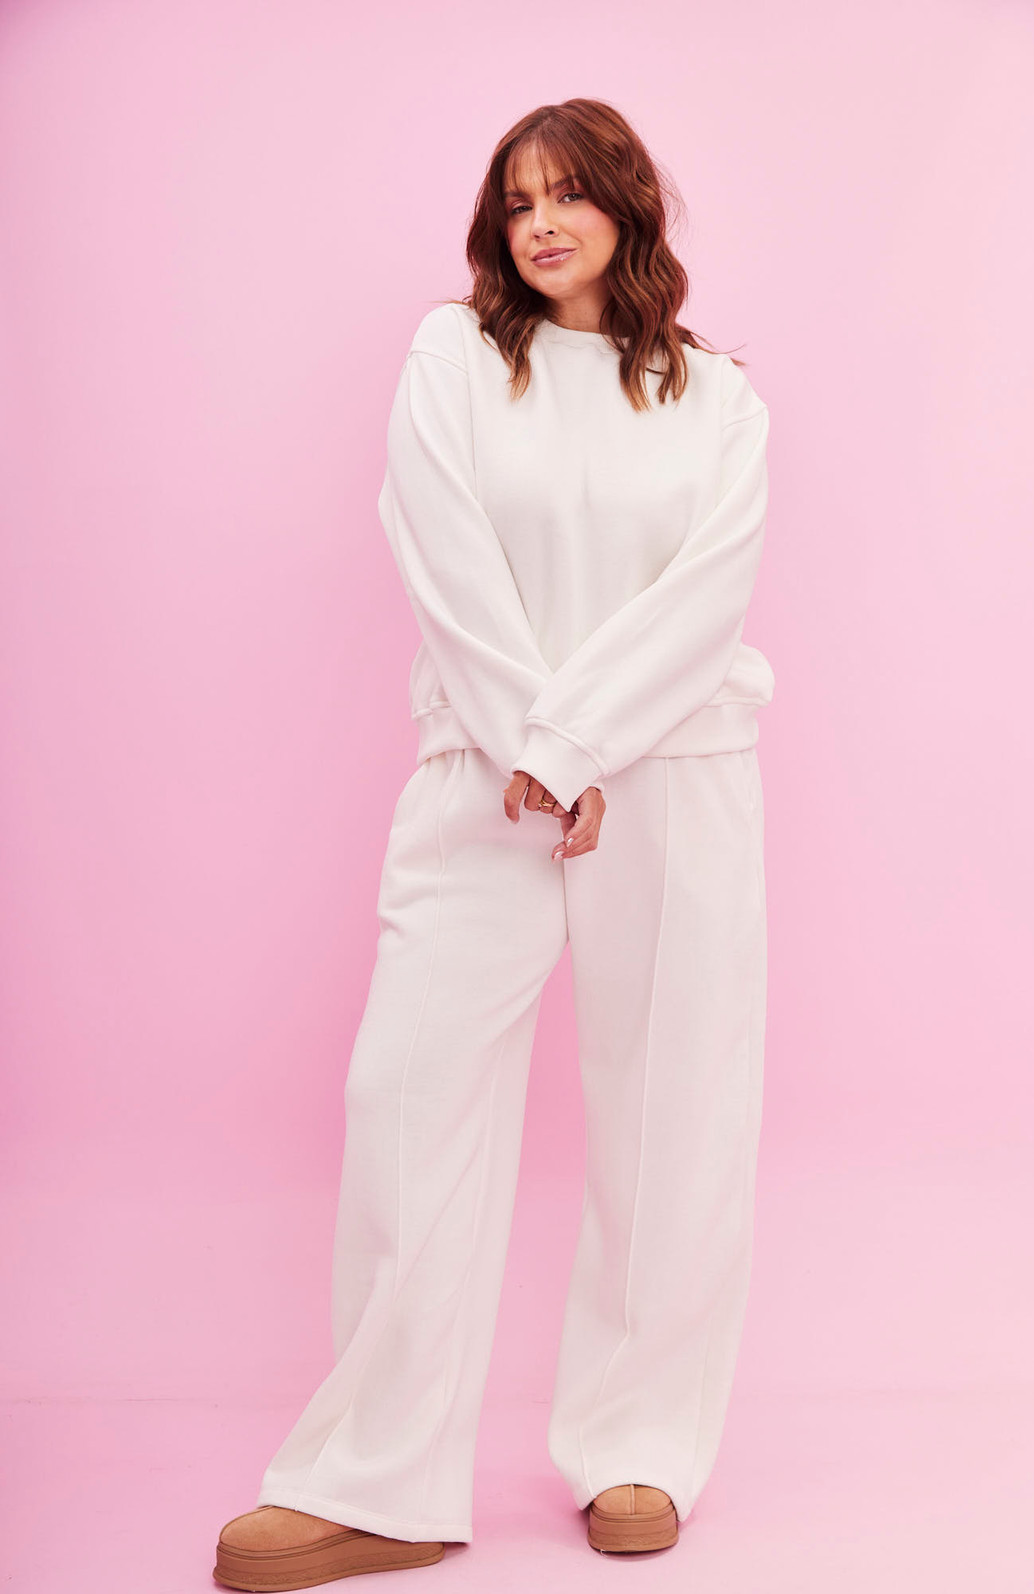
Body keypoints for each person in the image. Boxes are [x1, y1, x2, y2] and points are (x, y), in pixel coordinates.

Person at [214, 96, 772, 1589]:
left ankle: (642, 1443)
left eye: (569, 194)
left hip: (674, 774)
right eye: (517, 201)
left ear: (626, 207)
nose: (541, 223)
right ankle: (375, 1478)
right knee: (411, 1091)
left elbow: (706, 595)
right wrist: (542, 745)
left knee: (674, 1114)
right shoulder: (452, 358)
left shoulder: (719, 398)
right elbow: (439, 545)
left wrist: (581, 746)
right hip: (489, 771)